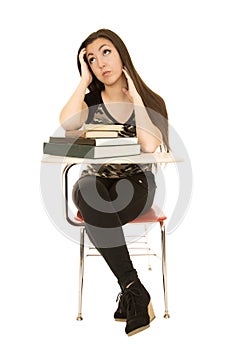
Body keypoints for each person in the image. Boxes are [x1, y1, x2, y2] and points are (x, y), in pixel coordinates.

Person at [59, 29, 169, 336]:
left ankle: (131, 295)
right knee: (88, 192)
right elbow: (67, 123)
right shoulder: (90, 100)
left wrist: (136, 101)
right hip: (94, 182)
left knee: (98, 215)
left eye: (105, 52)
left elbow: (148, 146)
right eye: (91, 59)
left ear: (121, 53)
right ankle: (135, 290)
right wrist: (83, 82)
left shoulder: (151, 101)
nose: (100, 63)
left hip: (136, 184)